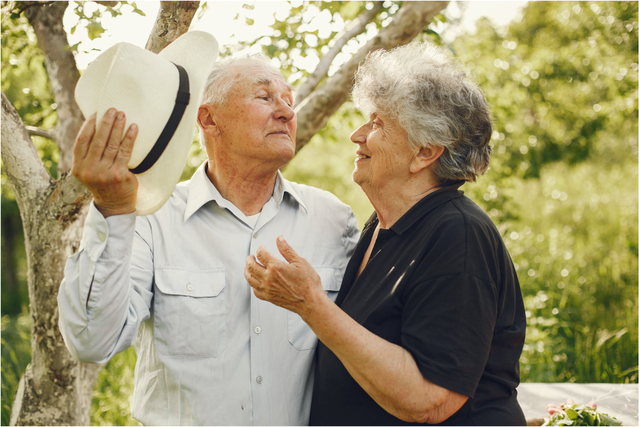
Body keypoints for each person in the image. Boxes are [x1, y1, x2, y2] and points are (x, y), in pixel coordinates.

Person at [58, 50, 359, 424]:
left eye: (288, 100)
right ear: (209, 119)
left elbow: (368, 346)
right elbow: (91, 342)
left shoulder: (334, 219)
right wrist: (110, 209)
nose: (286, 112)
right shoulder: (150, 220)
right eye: (264, 97)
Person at [245, 42, 527, 426]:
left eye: (377, 123)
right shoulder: (382, 225)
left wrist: (311, 304)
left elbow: (430, 400)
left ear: (425, 153)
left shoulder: (458, 235)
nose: (357, 135)